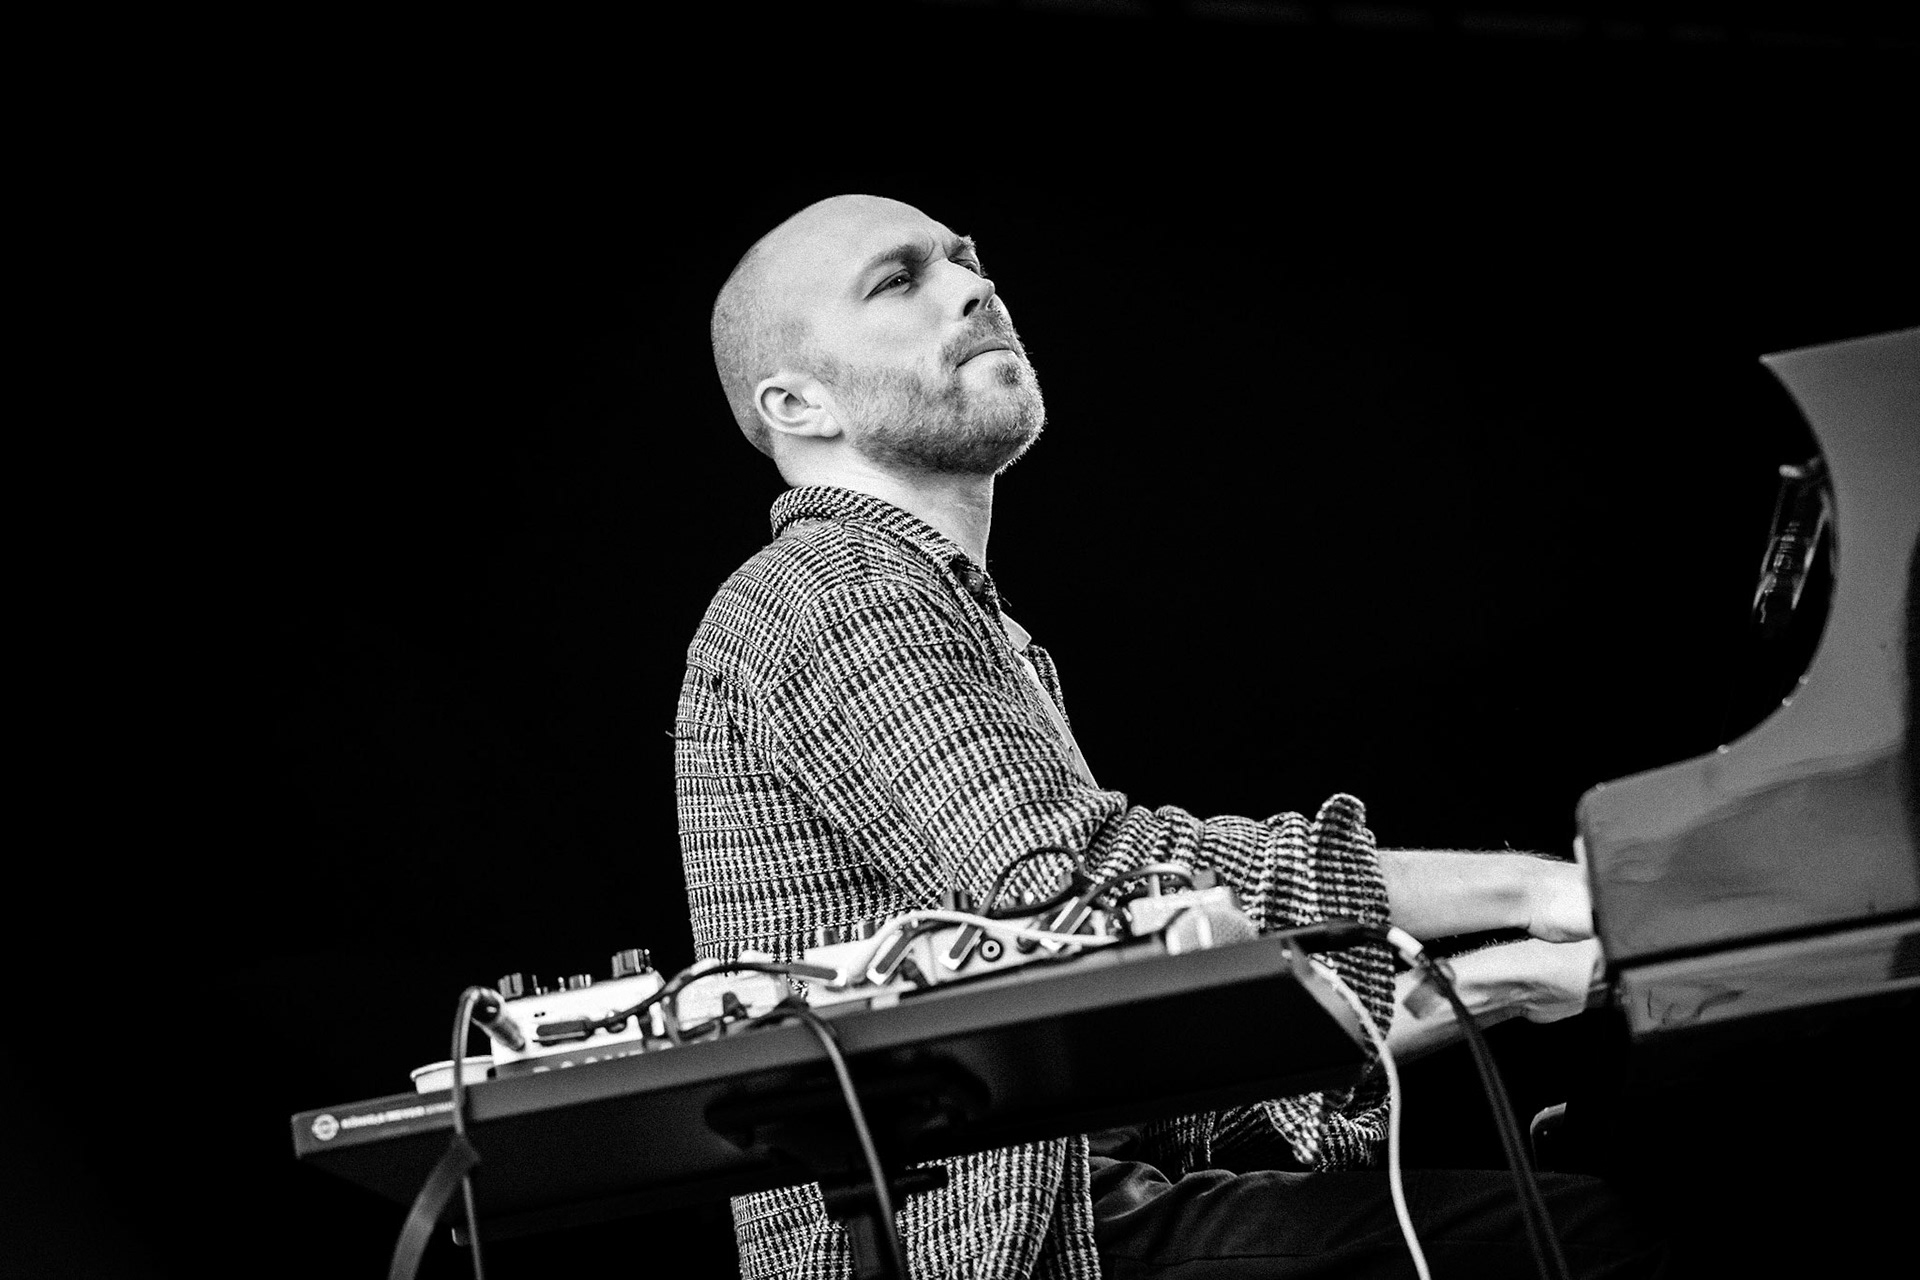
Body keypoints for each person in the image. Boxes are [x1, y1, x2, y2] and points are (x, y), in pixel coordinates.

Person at [675, 194, 1664, 1279]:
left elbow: (1149, 1055)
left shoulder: (958, 618)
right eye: (900, 280)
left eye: (968, 260)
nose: (974, 286)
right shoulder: (833, 585)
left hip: (1084, 1214)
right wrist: (1536, 893)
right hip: (1004, 1252)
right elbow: (1074, 879)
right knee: (1603, 1233)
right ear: (797, 402)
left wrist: (1505, 983)